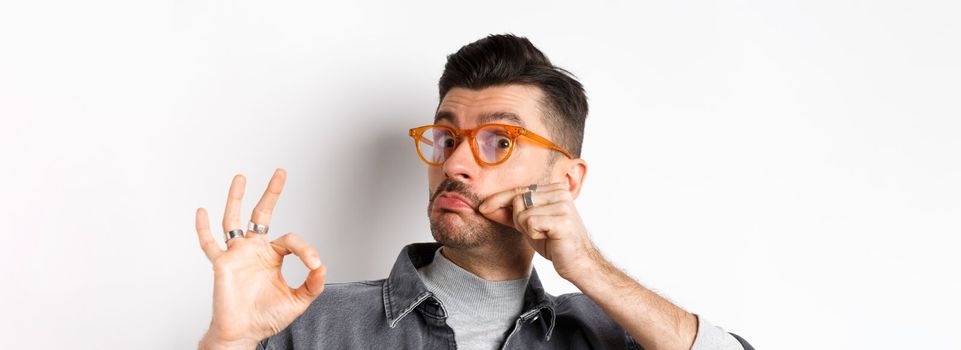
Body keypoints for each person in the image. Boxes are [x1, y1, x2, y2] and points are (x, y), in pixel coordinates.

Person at [194, 34, 754, 350]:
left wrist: (587, 268)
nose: (455, 162)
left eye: (499, 141)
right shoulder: (314, 323)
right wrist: (230, 340)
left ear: (567, 181)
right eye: (446, 137)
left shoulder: (611, 334)